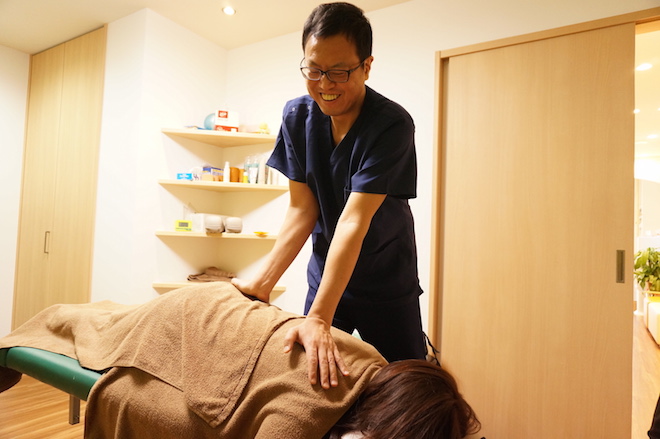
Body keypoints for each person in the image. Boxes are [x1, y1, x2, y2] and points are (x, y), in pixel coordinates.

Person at [232, 2, 426, 390]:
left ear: (366, 66)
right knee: (313, 384)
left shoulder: (391, 125)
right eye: (314, 69)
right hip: (326, 275)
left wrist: (318, 318)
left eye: (339, 72)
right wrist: (262, 283)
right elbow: (302, 209)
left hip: (386, 281)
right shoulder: (296, 117)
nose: (324, 84)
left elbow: (354, 219)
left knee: (408, 390)